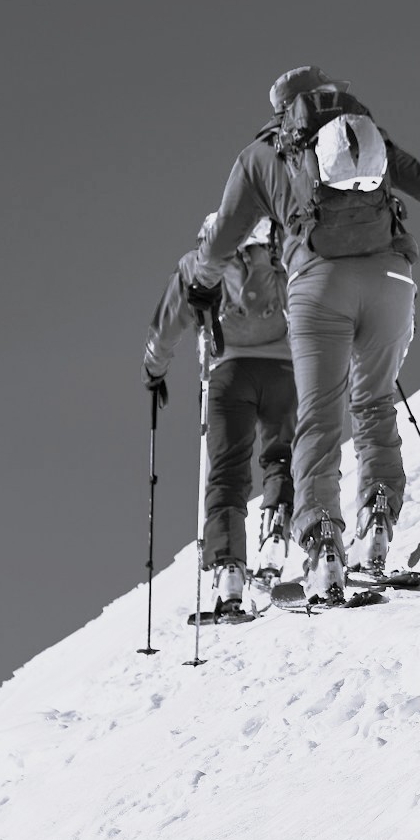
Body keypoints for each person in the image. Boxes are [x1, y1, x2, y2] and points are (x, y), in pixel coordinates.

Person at [188, 67, 420, 603]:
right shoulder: (363, 134)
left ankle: (324, 547)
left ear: (281, 107)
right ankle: (376, 529)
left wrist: (202, 288)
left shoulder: (263, 155)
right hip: (391, 279)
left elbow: (222, 242)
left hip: (317, 284)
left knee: (319, 416)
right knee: (375, 403)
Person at [145, 215, 296, 618]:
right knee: (281, 455)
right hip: (284, 369)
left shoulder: (198, 263)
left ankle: (229, 569)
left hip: (226, 375)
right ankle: (276, 529)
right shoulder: (281, 256)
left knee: (226, 472)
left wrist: (154, 369)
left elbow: (167, 323)